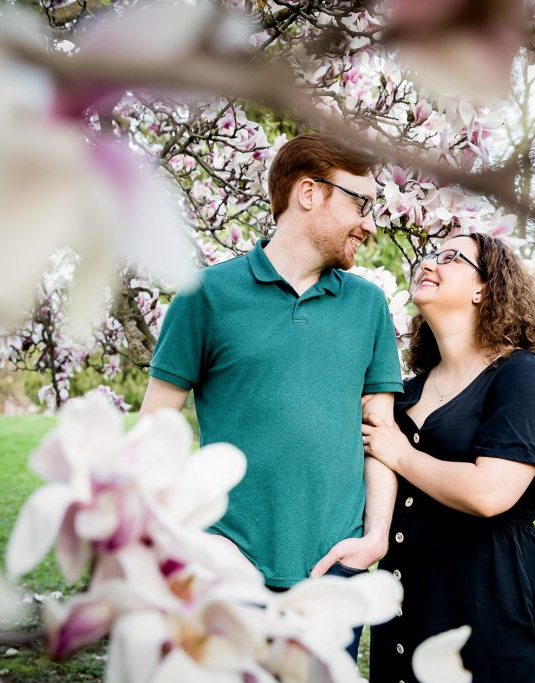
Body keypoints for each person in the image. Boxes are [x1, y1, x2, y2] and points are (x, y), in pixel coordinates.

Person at [139, 134, 404, 656]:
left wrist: (374, 538)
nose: (371, 224)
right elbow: (153, 433)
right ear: (309, 193)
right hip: (227, 574)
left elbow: (380, 434)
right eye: (360, 203)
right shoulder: (207, 294)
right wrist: (195, 540)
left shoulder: (369, 306)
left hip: (336, 576)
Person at [364, 232, 535, 683]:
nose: (429, 264)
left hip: (491, 597)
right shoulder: (408, 391)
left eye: (451, 257)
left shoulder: (523, 374)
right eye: (427, 256)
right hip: (405, 597)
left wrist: (399, 454)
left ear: (485, 287)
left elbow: (490, 492)